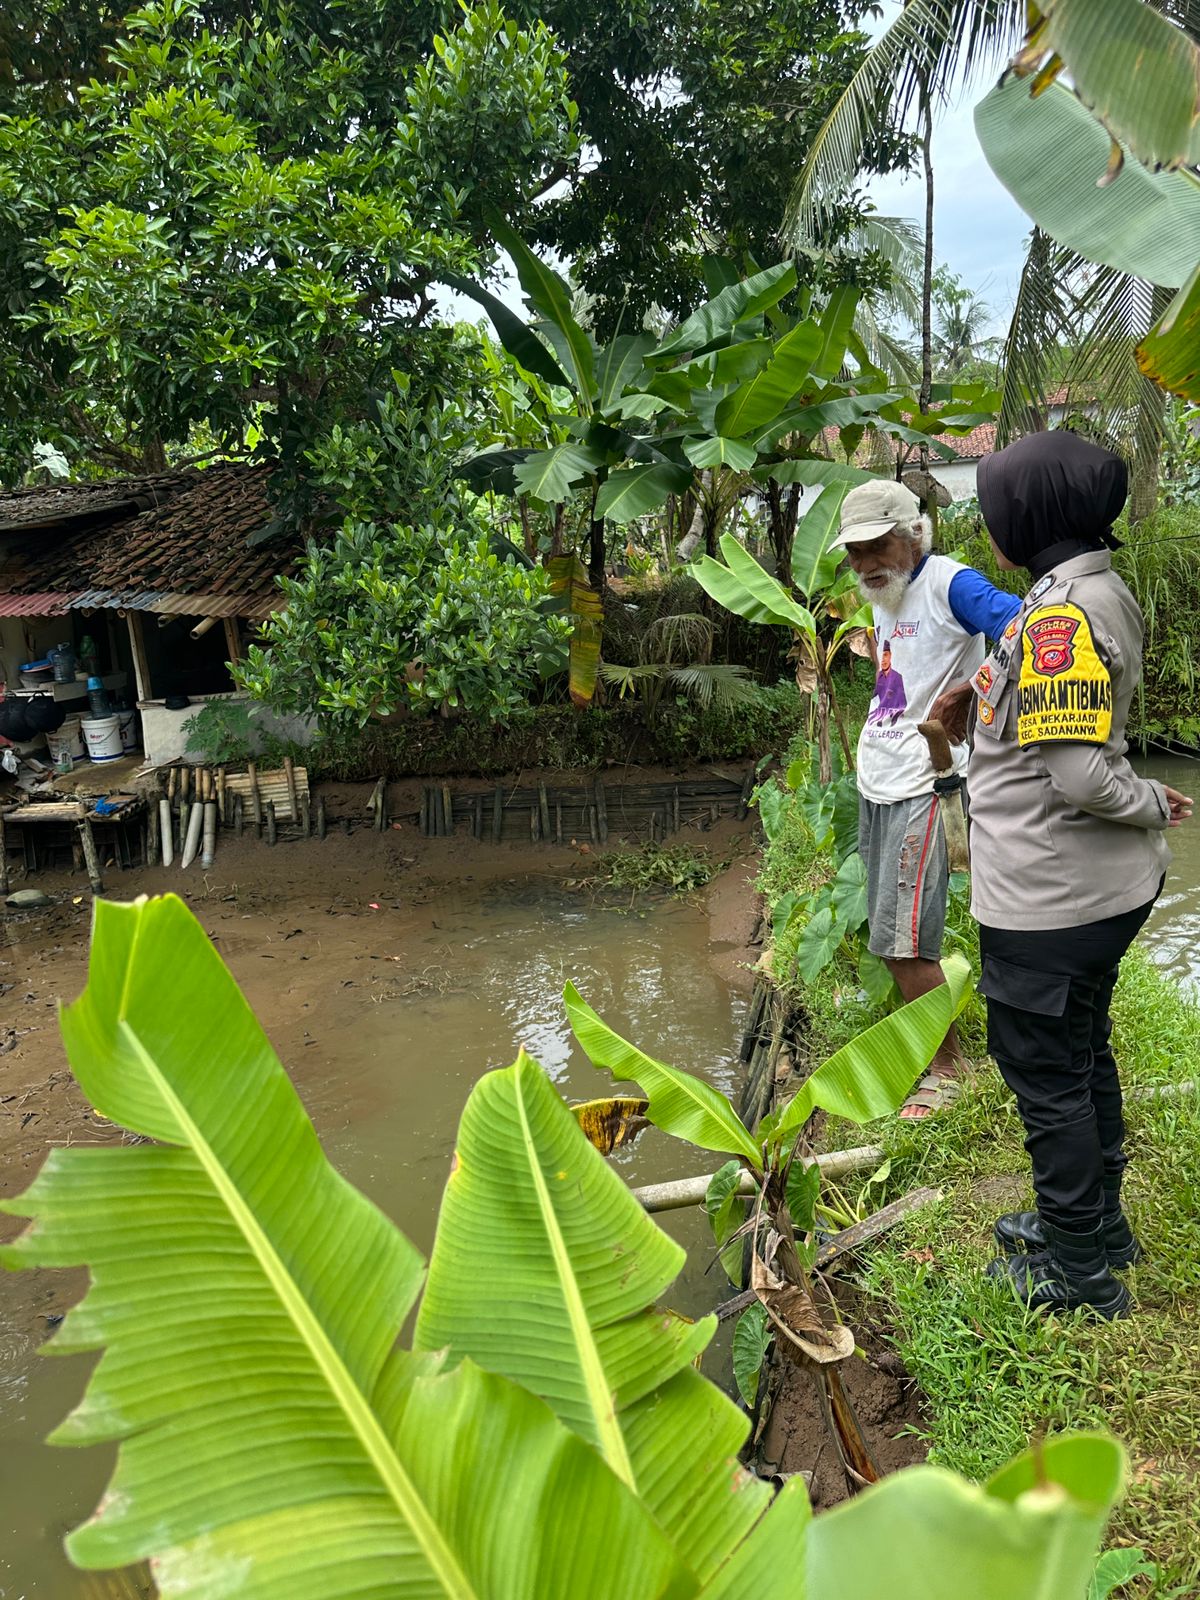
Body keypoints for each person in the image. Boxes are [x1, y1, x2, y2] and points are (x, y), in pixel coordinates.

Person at [932, 431, 1192, 1318]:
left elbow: (1079, 773)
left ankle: (1080, 1274)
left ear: (1024, 520)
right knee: (1079, 1056)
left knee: (1048, 1077)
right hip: (1088, 888)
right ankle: (1094, 1227)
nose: (988, 523)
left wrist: (1151, 798)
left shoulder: (1057, 619)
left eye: (994, 507)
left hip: (1051, 897)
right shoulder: (1084, 592)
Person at [831, 480, 1021, 1118]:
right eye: (853, 551)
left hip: (926, 785)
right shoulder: (887, 591)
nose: (861, 563)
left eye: (874, 546)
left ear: (913, 535)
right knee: (889, 936)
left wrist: (974, 687)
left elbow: (1031, 626)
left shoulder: (947, 583)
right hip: (878, 783)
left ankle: (950, 1071)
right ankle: (932, 1051)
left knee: (905, 943)